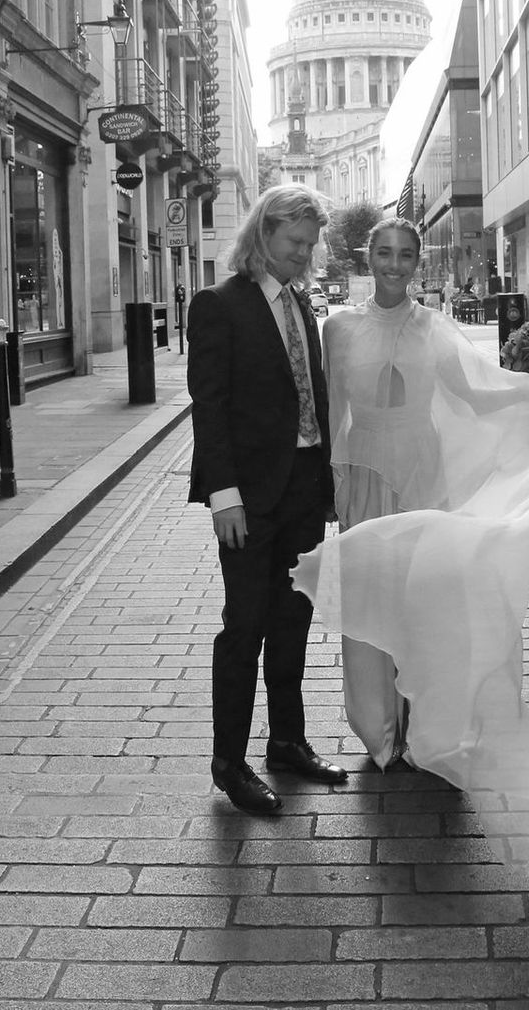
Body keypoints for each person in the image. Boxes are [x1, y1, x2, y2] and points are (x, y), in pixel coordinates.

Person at [291, 217, 529, 861]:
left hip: (423, 475)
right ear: (368, 257)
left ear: (415, 261)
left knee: (426, 605)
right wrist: (325, 486)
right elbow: (328, 409)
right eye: (384, 253)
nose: (394, 264)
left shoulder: (436, 328)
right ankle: (378, 730)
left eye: (405, 254)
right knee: (370, 604)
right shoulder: (338, 329)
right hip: (361, 474)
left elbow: (474, 396)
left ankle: (427, 727)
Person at [187, 183, 348, 816]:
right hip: (249, 499)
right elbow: (210, 406)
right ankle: (229, 762)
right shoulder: (219, 304)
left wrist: (327, 486)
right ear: (263, 233)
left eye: (310, 245)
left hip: (304, 489)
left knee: (292, 621)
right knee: (245, 627)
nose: (304, 255)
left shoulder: (301, 304)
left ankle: (286, 742)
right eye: (294, 242)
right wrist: (223, 495)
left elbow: (314, 396)